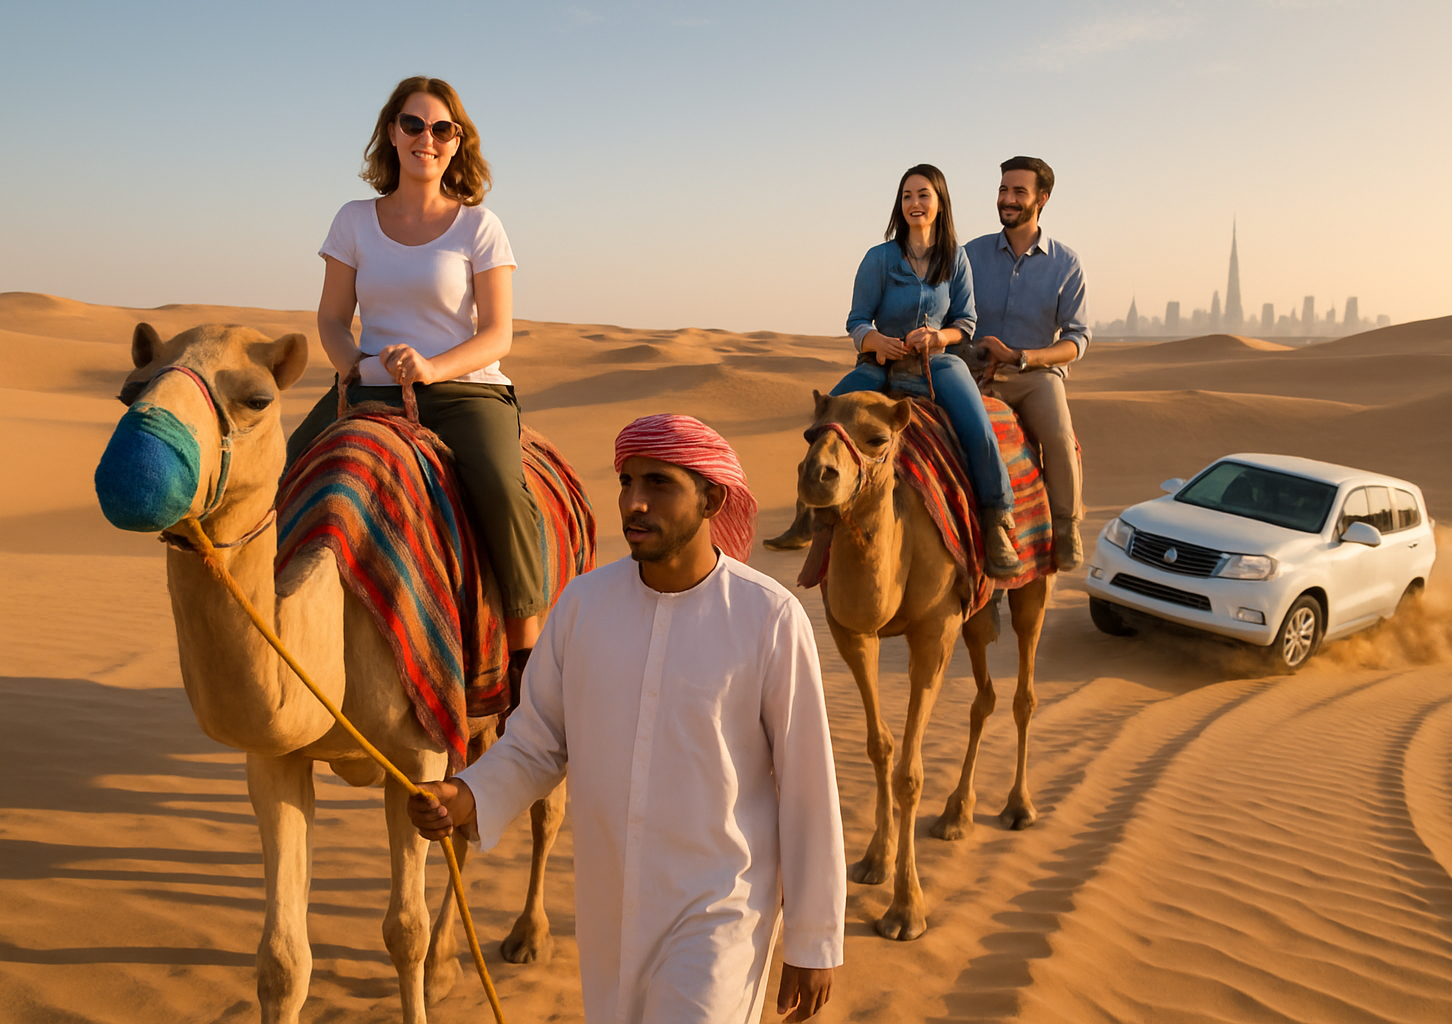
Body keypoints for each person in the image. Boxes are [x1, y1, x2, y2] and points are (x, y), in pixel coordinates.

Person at [407, 414, 846, 1024]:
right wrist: (463, 796)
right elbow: (536, 743)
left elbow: (807, 788)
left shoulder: (767, 617)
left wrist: (814, 936)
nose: (633, 503)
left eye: (658, 484)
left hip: (721, 906)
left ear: (712, 497)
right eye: (626, 481)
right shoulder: (584, 606)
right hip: (611, 908)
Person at [284, 75, 546, 657]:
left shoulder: (480, 225)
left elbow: (497, 333)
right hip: (370, 386)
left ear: (456, 143)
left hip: (466, 391)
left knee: (503, 491)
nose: (427, 138)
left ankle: (530, 654)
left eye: (441, 128)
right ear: (392, 133)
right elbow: (331, 318)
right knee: (283, 476)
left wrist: (431, 368)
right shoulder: (353, 220)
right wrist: (351, 363)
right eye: (413, 124)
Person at [765, 164, 1021, 578]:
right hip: (879, 365)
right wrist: (876, 340)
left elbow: (966, 323)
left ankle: (997, 521)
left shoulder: (956, 259)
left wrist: (939, 338)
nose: (914, 203)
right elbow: (857, 321)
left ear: (940, 202)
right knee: (827, 418)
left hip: (936, 364)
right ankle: (807, 512)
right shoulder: (879, 258)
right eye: (907, 196)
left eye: (923, 195)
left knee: (978, 428)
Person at [961, 155, 1090, 570]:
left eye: (1019, 192)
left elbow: (1076, 339)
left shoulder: (1066, 264)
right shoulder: (970, 255)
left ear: (1042, 199)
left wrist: (1022, 357)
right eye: (1003, 190)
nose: (1008, 199)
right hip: (976, 371)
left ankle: (1067, 527)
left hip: (1034, 375)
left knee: (1058, 438)